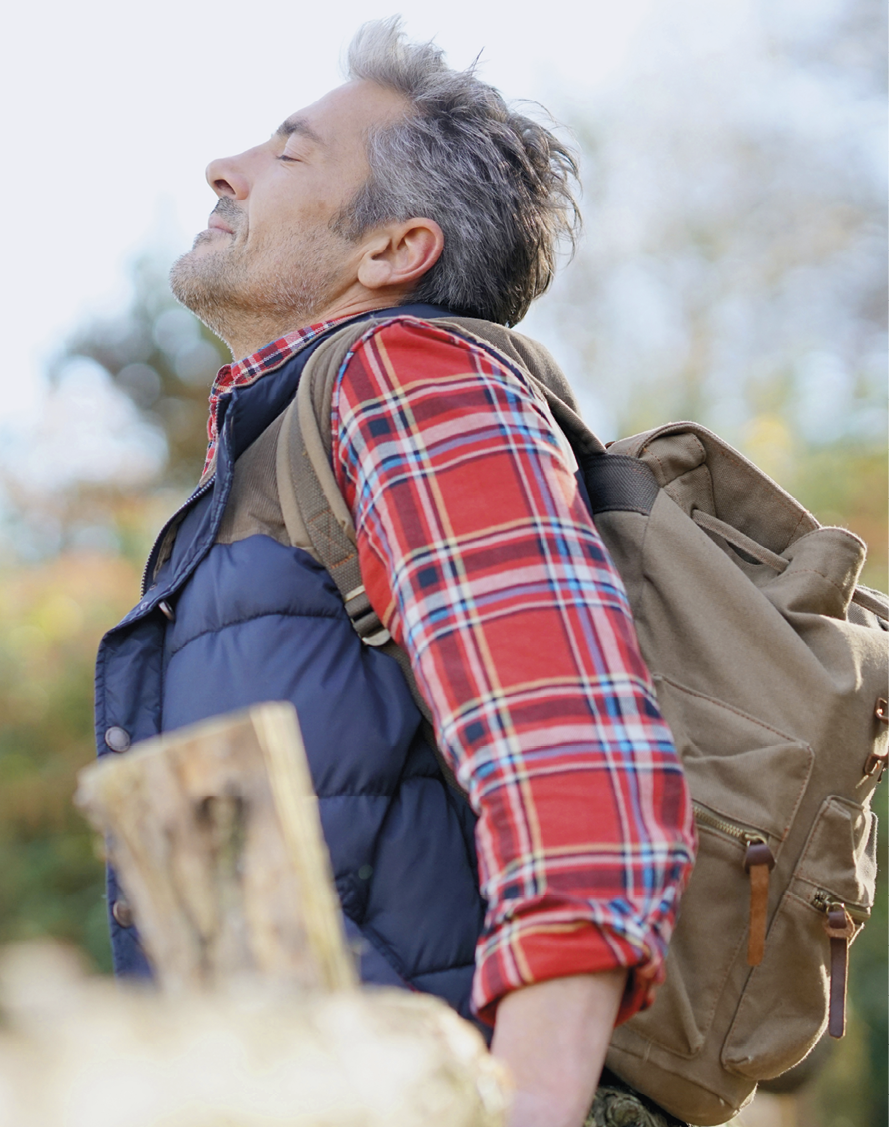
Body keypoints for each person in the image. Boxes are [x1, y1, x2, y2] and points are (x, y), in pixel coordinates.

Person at [94, 18, 695, 1127]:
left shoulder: (406, 373)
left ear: (392, 251)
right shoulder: (276, 452)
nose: (223, 167)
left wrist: (535, 1103)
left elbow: (565, 742)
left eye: (290, 150)